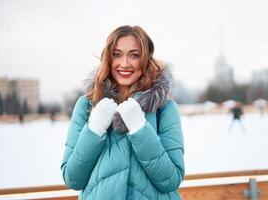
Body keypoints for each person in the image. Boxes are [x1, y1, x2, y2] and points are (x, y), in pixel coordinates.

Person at [61, 25, 185, 200]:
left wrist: (140, 128)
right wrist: (94, 129)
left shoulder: (164, 108)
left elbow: (170, 180)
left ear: (145, 59)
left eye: (134, 55)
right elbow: (73, 179)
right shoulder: (86, 106)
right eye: (117, 54)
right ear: (107, 58)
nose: (125, 63)